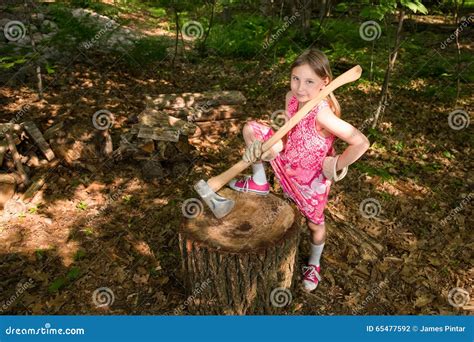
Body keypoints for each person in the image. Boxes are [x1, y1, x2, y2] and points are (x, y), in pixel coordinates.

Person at [228, 49, 370, 292]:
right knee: (251, 129)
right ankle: (260, 180)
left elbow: (361, 142)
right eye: (295, 78)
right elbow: (286, 129)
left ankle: (314, 263)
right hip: (286, 161)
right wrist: (272, 148)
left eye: (309, 81)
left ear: (324, 82)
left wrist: (336, 165)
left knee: (315, 225)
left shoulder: (323, 113)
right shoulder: (291, 98)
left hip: (309, 179)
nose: (300, 87)